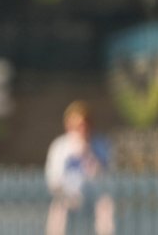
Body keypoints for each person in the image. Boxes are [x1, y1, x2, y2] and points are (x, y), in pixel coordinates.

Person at [45, 100, 115, 235]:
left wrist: (88, 153)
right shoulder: (60, 146)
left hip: (94, 196)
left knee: (105, 206)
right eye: (77, 125)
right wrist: (65, 192)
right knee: (58, 210)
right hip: (68, 196)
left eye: (84, 124)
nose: (82, 129)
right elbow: (53, 178)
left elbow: (107, 175)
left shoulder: (100, 144)